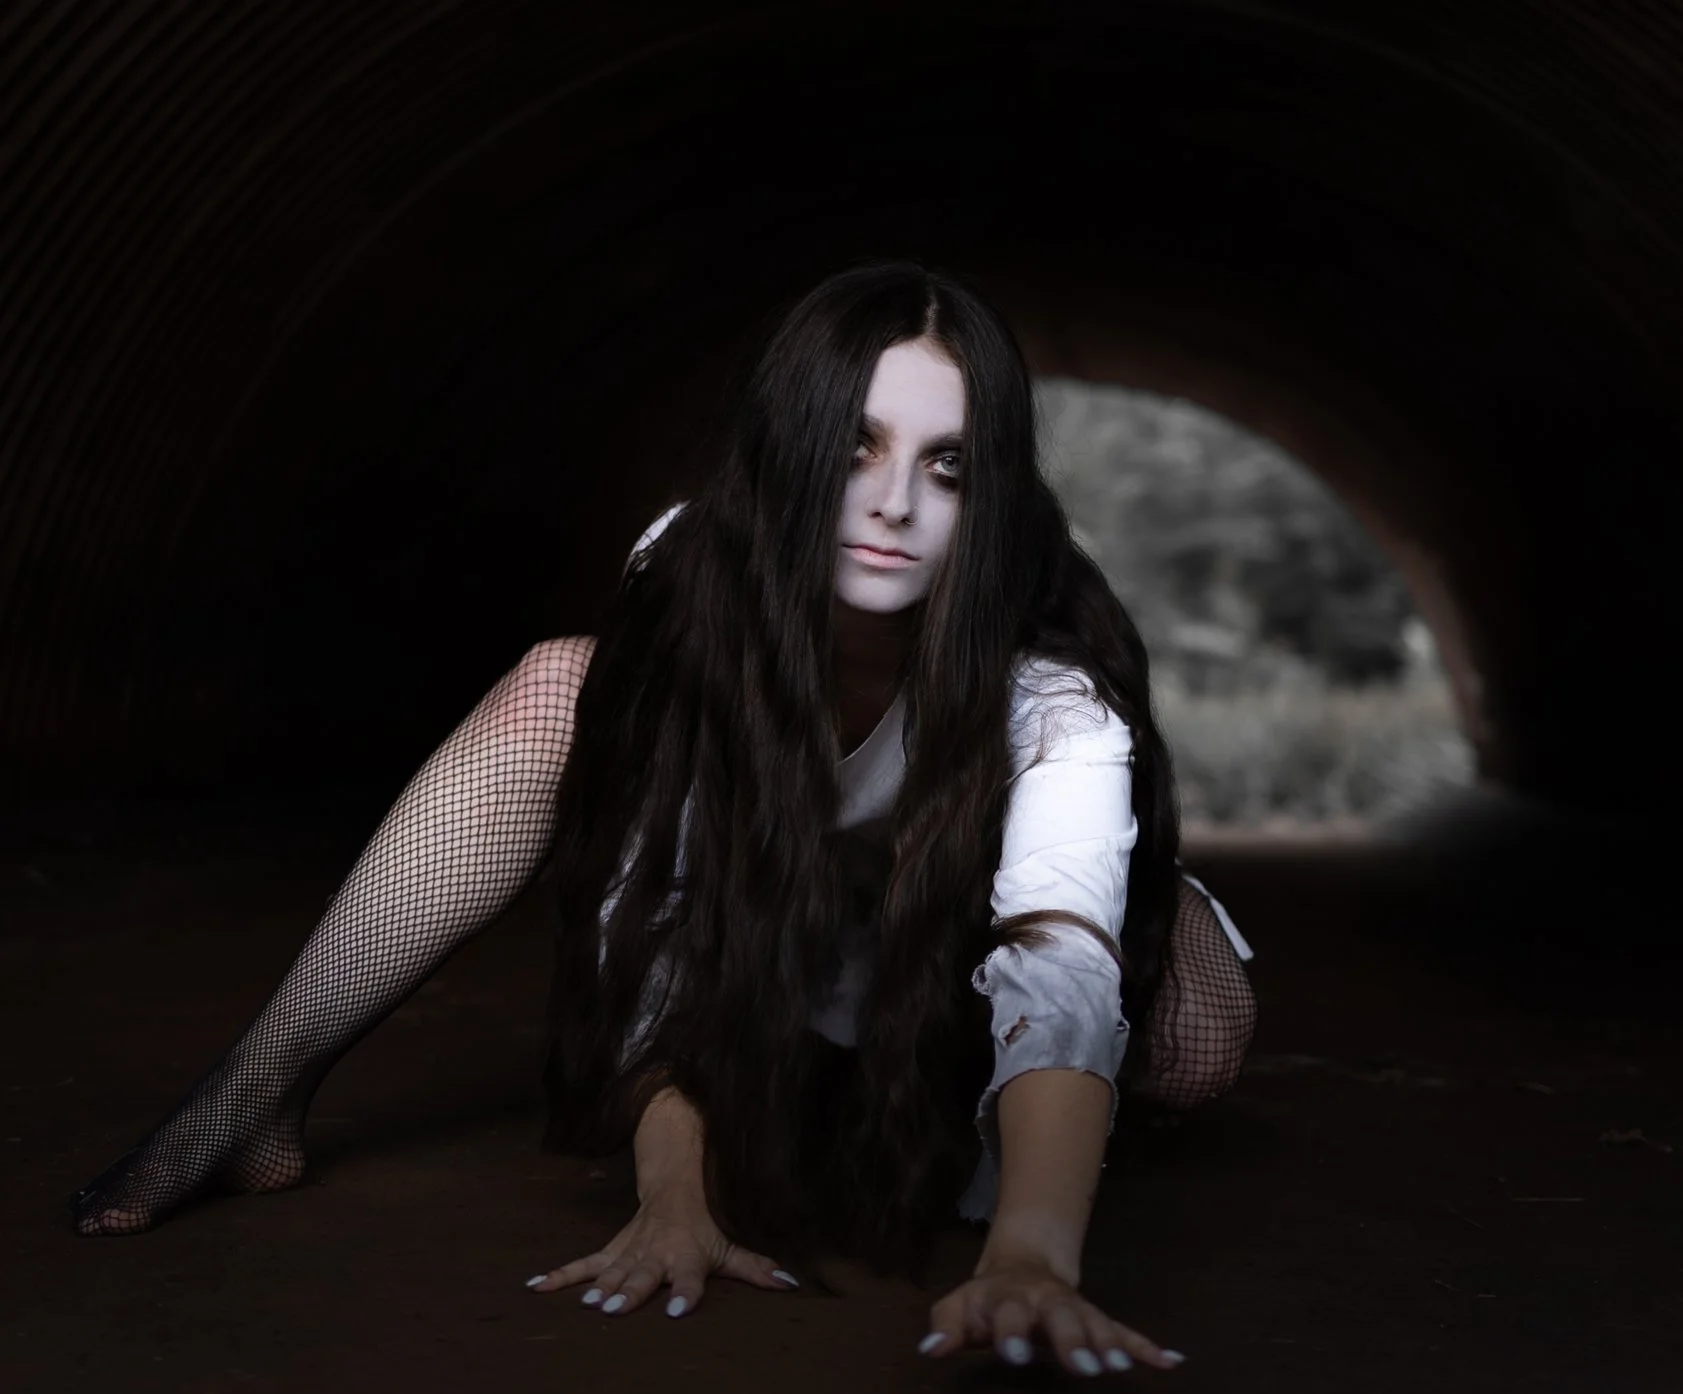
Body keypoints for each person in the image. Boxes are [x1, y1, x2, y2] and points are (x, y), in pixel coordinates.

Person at [71, 261, 1257, 1378]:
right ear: (790, 443)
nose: (894, 503)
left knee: (1193, 1042)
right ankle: (254, 1090)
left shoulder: (1048, 673)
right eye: (857, 446)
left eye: (948, 467)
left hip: (953, 920)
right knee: (556, 683)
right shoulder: (693, 580)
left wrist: (1031, 1254)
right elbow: (652, 904)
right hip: (782, 919)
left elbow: (1058, 949)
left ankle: (928, 1063)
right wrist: (670, 1188)